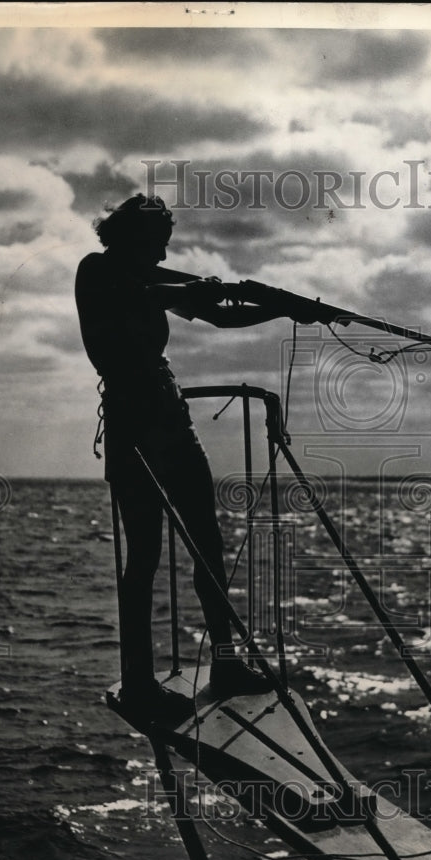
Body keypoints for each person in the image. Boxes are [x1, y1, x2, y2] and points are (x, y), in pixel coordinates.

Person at [75, 194, 294, 728]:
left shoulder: (149, 279)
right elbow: (146, 291)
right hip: (133, 428)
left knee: (207, 545)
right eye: (156, 241)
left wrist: (283, 307)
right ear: (130, 237)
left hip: (171, 420)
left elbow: (216, 315)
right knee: (145, 555)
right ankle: (141, 683)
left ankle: (225, 665)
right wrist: (191, 287)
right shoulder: (100, 271)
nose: (165, 249)